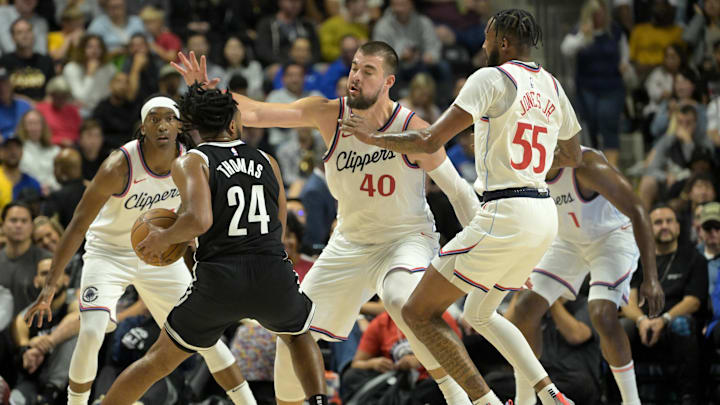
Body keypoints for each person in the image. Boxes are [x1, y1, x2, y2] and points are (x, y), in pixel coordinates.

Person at [173, 43, 480, 405]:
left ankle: (457, 394)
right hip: (349, 243)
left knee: (401, 299)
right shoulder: (328, 114)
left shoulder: (413, 128)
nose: (356, 76)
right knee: (292, 333)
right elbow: (255, 113)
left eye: (368, 70)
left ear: (388, 81)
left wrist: (487, 246)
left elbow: (458, 191)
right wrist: (207, 93)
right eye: (354, 67)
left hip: (406, 238)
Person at [341, 9, 581, 405]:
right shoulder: (552, 85)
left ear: (503, 42)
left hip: (506, 211)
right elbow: (571, 154)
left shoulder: (490, 77)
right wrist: (527, 163)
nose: (482, 45)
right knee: (481, 313)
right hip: (543, 213)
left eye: (487, 38)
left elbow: (431, 140)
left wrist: (374, 138)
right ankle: (549, 392)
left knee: (418, 311)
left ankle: (483, 403)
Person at [98, 84, 329, 405]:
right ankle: (319, 401)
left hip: (221, 278)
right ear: (233, 124)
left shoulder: (192, 161)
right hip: (271, 271)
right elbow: (279, 227)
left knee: (158, 360)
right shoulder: (267, 159)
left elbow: (199, 220)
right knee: (299, 336)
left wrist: (163, 237)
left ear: (191, 128)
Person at [23, 96, 255, 405]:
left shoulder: (191, 162)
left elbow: (196, 218)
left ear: (180, 125)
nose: (162, 125)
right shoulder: (118, 165)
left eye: (169, 118)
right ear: (143, 127)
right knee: (91, 330)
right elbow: (77, 225)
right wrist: (51, 286)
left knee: (206, 336)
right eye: (154, 119)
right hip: (109, 253)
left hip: (160, 256)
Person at [504, 147, 663, 405]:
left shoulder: (587, 166)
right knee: (524, 307)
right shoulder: (523, 172)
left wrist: (652, 279)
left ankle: (631, 401)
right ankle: (525, 400)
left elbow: (638, 210)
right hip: (566, 241)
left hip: (611, 237)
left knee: (601, 313)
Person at [620, 204, 707, 404]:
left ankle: (689, 397)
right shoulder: (637, 261)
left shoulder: (694, 258)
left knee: (681, 324)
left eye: (669, 221)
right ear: (649, 228)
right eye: (658, 223)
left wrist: (664, 320)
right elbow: (627, 301)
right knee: (620, 327)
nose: (664, 226)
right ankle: (619, 396)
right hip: (644, 327)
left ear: (678, 226)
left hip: (676, 326)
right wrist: (641, 320)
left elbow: (693, 301)